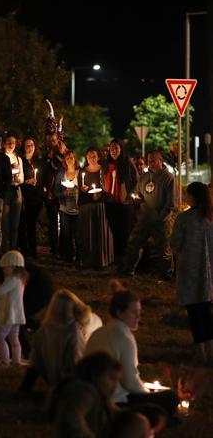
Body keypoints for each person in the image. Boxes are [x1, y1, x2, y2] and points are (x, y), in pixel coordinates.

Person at [85, 282, 179, 415]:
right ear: (119, 313)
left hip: (90, 396)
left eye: (139, 312)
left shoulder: (99, 332)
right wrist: (149, 392)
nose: (138, 317)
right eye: (134, 312)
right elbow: (129, 383)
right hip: (114, 400)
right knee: (171, 397)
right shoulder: (124, 337)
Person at [170, 181, 213, 363]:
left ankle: (201, 352)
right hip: (210, 273)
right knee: (208, 312)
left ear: (193, 197)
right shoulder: (210, 217)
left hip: (190, 271)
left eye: (187, 193)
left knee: (195, 312)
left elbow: (174, 244)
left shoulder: (184, 219)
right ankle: (210, 350)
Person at [19, 289, 92, 393]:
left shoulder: (43, 331)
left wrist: (24, 388)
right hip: (75, 387)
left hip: (56, 385)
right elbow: (76, 364)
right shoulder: (73, 333)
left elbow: (34, 365)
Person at [121, 151, 175, 280]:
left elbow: (170, 203)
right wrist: (136, 198)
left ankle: (166, 275)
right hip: (144, 218)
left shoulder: (168, 178)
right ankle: (128, 271)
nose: (150, 163)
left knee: (164, 250)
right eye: (149, 160)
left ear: (160, 161)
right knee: (134, 243)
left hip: (161, 221)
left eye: (153, 161)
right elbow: (137, 192)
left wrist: (161, 217)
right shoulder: (144, 177)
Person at [49, 351, 122, 438]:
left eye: (117, 380)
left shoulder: (99, 395)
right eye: (111, 378)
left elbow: (117, 413)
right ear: (95, 374)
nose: (115, 385)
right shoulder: (87, 392)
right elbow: (71, 415)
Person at [78, 146, 114, 269]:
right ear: (86, 158)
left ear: (98, 157)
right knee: (88, 233)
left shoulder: (103, 170)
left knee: (100, 234)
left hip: (100, 206)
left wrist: (100, 193)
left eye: (94, 156)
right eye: (89, 156)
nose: (92, 158)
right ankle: (87, 260)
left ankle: (101, 260)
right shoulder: (83, 172)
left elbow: (108, 187)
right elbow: (80, 189)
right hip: (87, 206)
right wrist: (83, 190)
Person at [103, 139, 138, 263]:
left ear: (121, 149)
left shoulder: (128, 164)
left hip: (124, 204)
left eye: (116, 148)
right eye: (111, 148)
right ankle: (117, 259)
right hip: (111, 203)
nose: (113, 151)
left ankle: (125, 260)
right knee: (114, 231)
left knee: (125, 232)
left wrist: (129, 196)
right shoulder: (107, 164)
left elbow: (135, 182)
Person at [0, 134, 24, 252]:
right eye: (8, 142)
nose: (11, 145)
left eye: (13, 143)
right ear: (4, 143)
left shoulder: (18, 159)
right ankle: (4, 249)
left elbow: (22, 175)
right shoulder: (1, 157)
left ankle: (13, 248)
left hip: (16, 191)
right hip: (6, 191)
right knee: (5, 223)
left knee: (15, 223)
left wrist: (19, 180)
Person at [19, 137, 43, 257]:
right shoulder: (21, 161)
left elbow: (42, 178)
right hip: (25, 196)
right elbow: (18, 178)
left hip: (36, 197)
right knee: (23, 223)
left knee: (32, 223)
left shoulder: (38, 160)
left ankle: (33, 250)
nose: (30, 147)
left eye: (32, 145)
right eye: (27, 145)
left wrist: (37, 183)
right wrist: (26, 182)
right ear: (24, 147)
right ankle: (24, 248)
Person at [41, 131, 64, 257]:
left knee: (64, 222)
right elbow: (43, 174)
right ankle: (54, 248)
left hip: (62, 192)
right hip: (49, 194)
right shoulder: (44, 157)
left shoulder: (63, 155)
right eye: (49, 141)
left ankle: (64, 247)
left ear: (57, 141)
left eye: (53, 141)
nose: (51, 143)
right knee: (53, 222)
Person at [55, 150, 80, 263]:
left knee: (78, 234)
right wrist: (62, 194)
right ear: (64, 160)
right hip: (65, 208)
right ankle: (68, 257)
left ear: (75, 159)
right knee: (66, 234)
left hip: (78, 209)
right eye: (67, 158)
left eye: (71, 157)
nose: (69, 159)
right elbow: (56, 192)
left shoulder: (80, 173)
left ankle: (79, 257)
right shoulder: (61, 174)